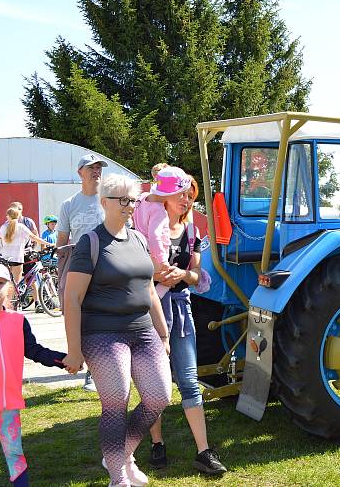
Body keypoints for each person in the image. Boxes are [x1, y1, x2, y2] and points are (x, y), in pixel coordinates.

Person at [62, 174, 172, 487]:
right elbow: (72, 298)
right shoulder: (91, 243)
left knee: (159, 397)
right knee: (116, 401)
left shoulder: (138, 238)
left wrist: (162, 334)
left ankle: (121, 454)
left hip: (143, 331)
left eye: (133, 199)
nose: (128, 205)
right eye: (121, 199)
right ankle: (117, 477)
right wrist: (74, 348)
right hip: (102, 334)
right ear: (104, 202)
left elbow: (149, 289)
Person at [0, 262, 68, 487]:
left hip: (9, 402)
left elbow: (34, 350)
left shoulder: (18, 321)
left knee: (15, 452)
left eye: (0, 283)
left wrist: (63, 360)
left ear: (9, 288)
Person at [145, 175, 225, 475]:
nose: (186, 199)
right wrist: (156, 276)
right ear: (164, 197)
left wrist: (180, 275)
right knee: (154, 382)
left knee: (190, 382)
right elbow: (138, 272)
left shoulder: (192, 231)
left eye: (189, 194)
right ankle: (157, 443)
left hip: (181, 311)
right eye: (180, 193)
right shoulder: (146, 228)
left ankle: (204, 452)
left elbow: (198, 278)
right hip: (153, 312)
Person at [57, 153, 108, 392]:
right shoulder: (69, 204)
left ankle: (102, 368)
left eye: (99, 167)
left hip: (107, 264)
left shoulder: (109, 200)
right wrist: (63, 277)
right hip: (79, 267)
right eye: (91, 167)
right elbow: (62, 243)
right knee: (81, 318)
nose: (96, 171)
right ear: (80, 173)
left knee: (105, 317)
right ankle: (88, 368)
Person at [132, 165, 191, 298]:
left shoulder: (142, 197)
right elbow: (155, 236)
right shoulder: (159, 212)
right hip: (154, 254)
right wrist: (163, 260)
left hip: (141, 249)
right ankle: (154, 301)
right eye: (181, 193)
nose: (184, 198)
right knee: (167, 278)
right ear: (171, 193)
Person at [0, 208, 52, 285]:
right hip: (17, 258)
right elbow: (34, 237)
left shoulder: (3, 227)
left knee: (7, 283)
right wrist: (48, 244)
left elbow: (2, 242)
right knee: (16, 284)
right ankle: (15, 296)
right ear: (18, 216)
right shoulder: (21, 227)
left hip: (5, 258)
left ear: (7, 216)